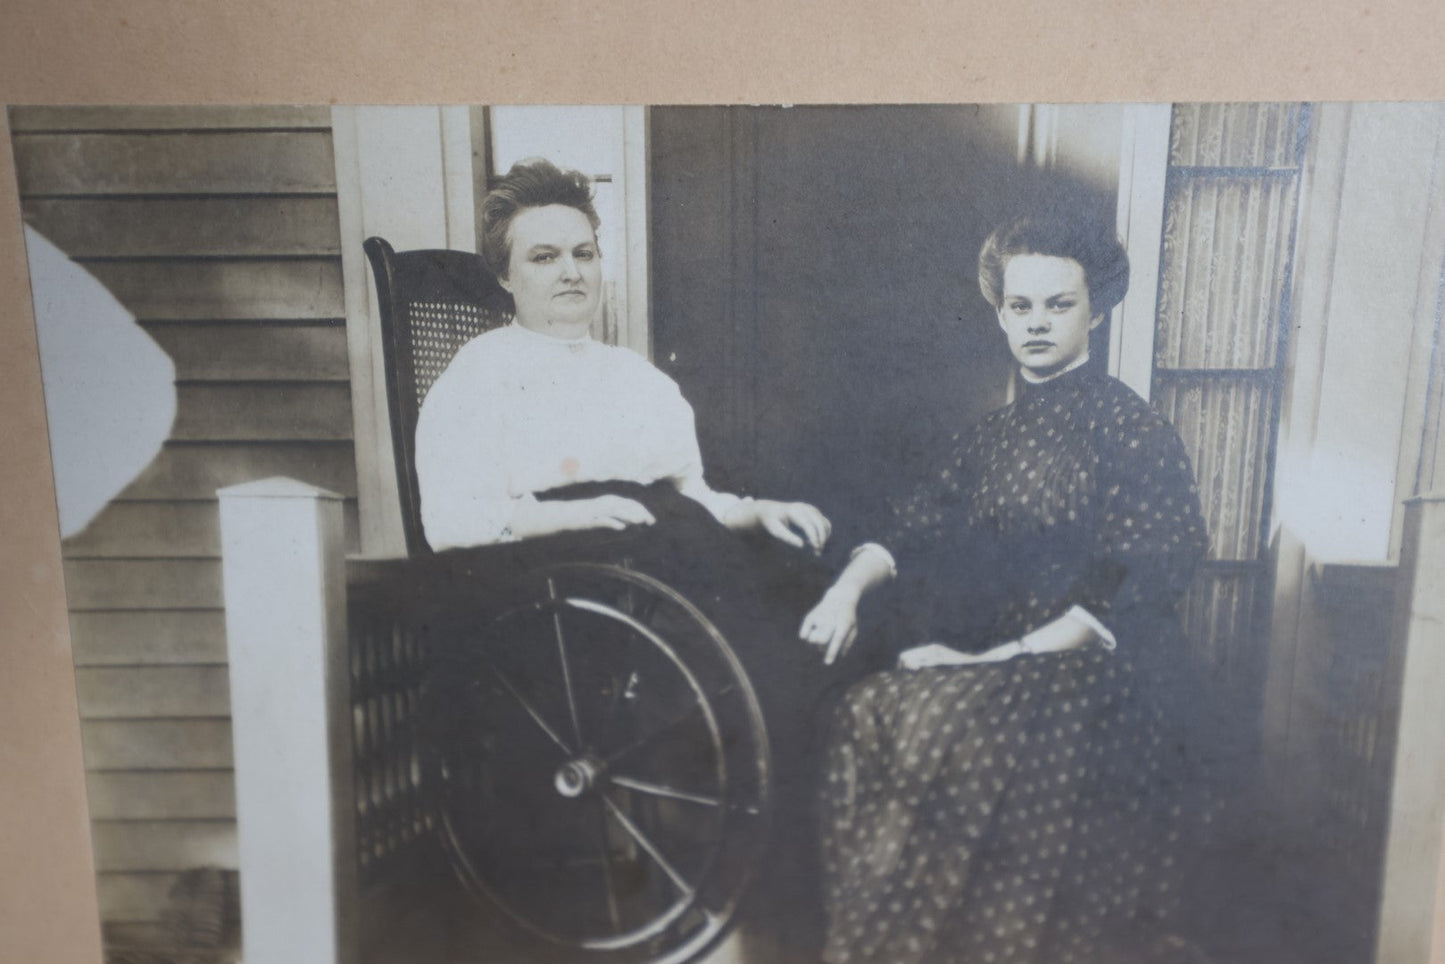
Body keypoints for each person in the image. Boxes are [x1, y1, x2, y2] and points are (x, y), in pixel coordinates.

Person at [414, 157, 837, 959]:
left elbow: (693, 494)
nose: (570, 272)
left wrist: (757, 509)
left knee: (806, 592)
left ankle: (791, 893)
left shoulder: (635, 378)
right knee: (766, 656)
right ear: (505, 277)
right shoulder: (479, 378)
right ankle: (751, 905)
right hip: (562, 594)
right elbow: (454, 525)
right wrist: (566, 515)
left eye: (583, 252)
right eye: (543, 257)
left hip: (658, 554)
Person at [799, 210, 1211, 963]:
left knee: (944, 720)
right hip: (1009, 663)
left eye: (1059, 305)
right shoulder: (986, 438)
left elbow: (1129, 583)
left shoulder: (1130, 430)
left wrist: (986, 663)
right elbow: (908, 528)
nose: (1037, 324)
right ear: (997, 312)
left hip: (1102, 674)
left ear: (1098, 308)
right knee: (864, 710)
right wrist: (844, 592)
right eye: (1019, 306)